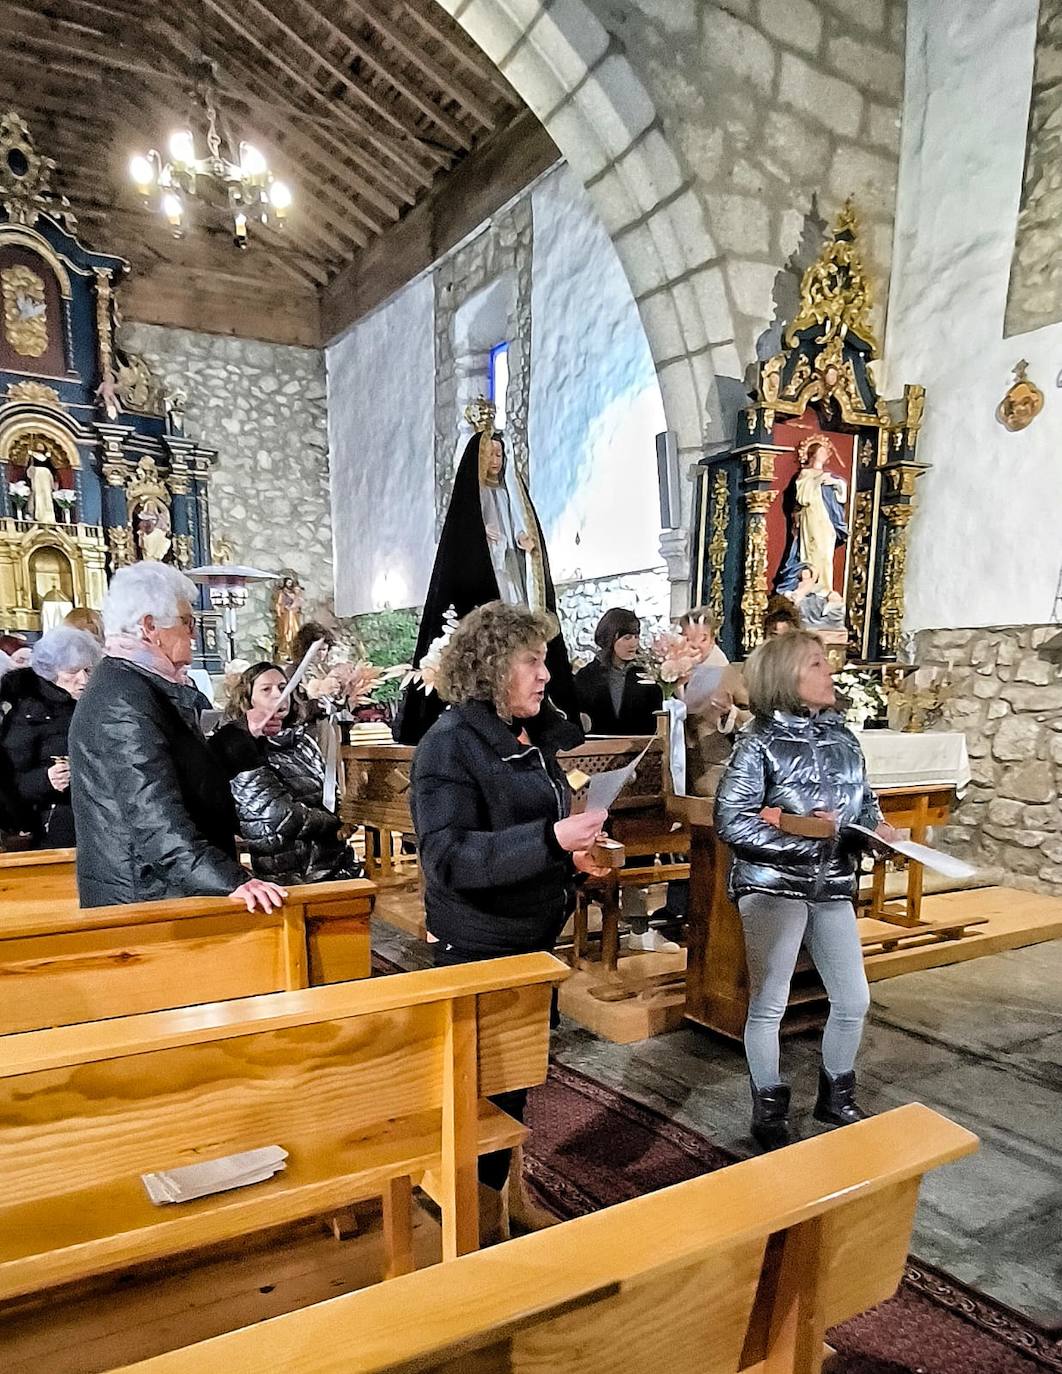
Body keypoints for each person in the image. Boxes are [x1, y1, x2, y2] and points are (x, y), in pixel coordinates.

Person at [410, 601, 608, 1235]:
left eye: (545, 659)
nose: (546, 674)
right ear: (493, 667)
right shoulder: (450, 746)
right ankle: (472, 1226)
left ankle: (508, 1197)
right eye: (531, 661)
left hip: (531, 934)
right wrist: (554, 840)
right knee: (485, 1094)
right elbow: (449, 857)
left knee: (516, 1081)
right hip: (480, 942)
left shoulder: (533, 734)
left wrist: (574, 862)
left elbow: (533, 826)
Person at [714, 631, 897, 1151]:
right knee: (770, 1002)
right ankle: (768, 1110)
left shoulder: (845, 740)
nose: (829, 673)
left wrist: (879, 836)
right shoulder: (760, 743)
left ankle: (835, 1097)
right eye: (817, 664)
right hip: (773, 886)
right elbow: (730, 821)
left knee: (853, 998)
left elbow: (865, 809)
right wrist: (806, 837)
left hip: (832, 883)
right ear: (787, 678)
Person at [69, 562, 286, 911]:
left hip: (161, 886)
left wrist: (245, 732)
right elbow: (152, 817)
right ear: (150, 627)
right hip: (148, 896)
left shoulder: (138, 685)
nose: (194, 634)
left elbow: (185, 770)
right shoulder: (122, 699)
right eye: (187, 623)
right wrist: (232, 881)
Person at [396, 404, 578, 746]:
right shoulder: (471, 499)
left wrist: (527, 544)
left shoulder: (509, 494)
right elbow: (464, 548)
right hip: (486, 578)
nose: (495, 460)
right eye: (490, 454)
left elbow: (520, 532)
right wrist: (484, 540)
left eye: (499, 453)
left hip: (510, 573)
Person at [211, 662, 362, 886]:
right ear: (248, 699)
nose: (278, 695)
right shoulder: (243, 746)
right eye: (266, 689)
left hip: (333, 864)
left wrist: (345, 813)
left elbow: (328, 790)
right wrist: (336, 823)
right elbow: (275, 816)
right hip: (290, 874)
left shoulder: (302, 740)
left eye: (283, 687)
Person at [0, 626, 101, 847]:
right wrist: (46, 779)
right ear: (51, 672)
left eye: (88, 670)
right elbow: (9, 781)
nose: (83, 680)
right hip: (53, 825)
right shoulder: (29, 712)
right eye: (73, 672)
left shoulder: (95, 705)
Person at [776, 437, 848, 595]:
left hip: (827, 520)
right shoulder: (805, 474)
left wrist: (836, 484)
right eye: (821, 451)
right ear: (812, 454)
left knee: (826, 555)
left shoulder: (828, 476)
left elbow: (841, 496)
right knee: (812, 552)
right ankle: (812, 586)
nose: (824, 454)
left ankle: (825, 587)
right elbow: (803, 497)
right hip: (811, 518)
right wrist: (818, 481)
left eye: (825, 452)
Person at [574, 608, 663, 735]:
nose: (634, 643)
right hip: (599, 750)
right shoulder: (586, 677)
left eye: (636, 637)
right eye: (627, 638)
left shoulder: (647, 674)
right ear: (610, 638)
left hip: (644, 749)